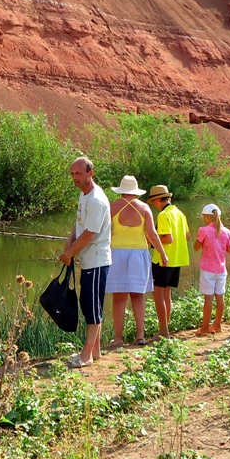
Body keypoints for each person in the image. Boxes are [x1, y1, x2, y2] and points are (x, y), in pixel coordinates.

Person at [60, 156, 111, 368]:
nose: (75, 178)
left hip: (97, 260)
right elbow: (81, 223)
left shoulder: (97, 199)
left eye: (78, 173)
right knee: (89, 304)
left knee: (92, 308)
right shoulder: (85, 195)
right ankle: (95, 351)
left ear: (91, 173)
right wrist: (71, 239)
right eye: (72, 174)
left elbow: (90, 234)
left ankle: (86, 355)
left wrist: (69, 253)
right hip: (88, 259)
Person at [105, 175, 167, 349]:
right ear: (136, 191)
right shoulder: (145, 207)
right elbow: (152, 235)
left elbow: (103, 231)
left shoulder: (112, 207)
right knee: (138, 296)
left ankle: (118, 338)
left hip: (116, 253)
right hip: (139, 254)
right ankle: (140, 336)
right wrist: (163, 253)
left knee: (118, 297)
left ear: (122, 190)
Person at [146, 185, 189, 339]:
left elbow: (167, 238)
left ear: (158, 200)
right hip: (177, 258)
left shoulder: (163, 215)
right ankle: (165, 328)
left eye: (154, 202)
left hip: (162, 260)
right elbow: (187, 236)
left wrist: (150, 239)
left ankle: (163, 330)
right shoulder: (179, 213)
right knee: (167, 294)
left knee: (158, 294)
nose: (154, 206)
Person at [194, 203, 230, 335]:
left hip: (207, 270)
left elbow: (196, 247)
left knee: (208, 298)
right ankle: (217, 325)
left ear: (206, 217)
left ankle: (205, 327)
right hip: (221, 269)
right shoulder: (227, 232)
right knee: (220, 297)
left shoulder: (203, 230)